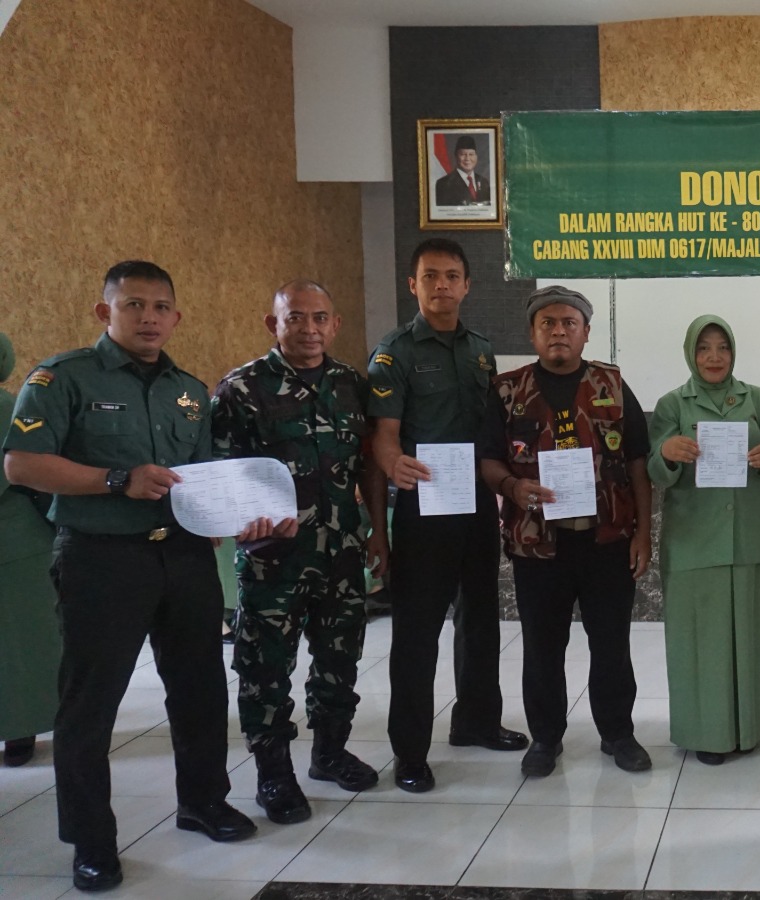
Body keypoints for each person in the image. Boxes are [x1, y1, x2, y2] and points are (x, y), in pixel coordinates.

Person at [2, 261, 288, 891]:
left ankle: (204, 802)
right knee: (90, 704)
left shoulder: (189, 391)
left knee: (200, 689)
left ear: (176, 317)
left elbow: (205, 479)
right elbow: (21, 464)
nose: (149, 318)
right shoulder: (62, 378)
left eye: (160, 307)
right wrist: (116, 480)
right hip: (101, 559)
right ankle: (91, 840)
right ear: (104, 311)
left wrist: (245, 516)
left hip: (184, 558)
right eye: (133, 305)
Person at [211, 280, 391, 824]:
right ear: (274, 324)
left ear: (334, 325)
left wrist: (376, 531)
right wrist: (241, 521)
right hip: (273, 559)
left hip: (342, 552)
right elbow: (220, 474)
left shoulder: (351, 385)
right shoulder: (241, 390)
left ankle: (329, 754)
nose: (309, 329)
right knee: (265, 669)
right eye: (295, 318)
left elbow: (366, 465)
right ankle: (273, 774)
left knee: (339, 660)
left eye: (319, 318)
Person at [368, 239, 527, 794]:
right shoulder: (394, 353)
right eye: (431, 276)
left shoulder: (481, 351)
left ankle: (476, 721)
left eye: (452, 276)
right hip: (424, 508)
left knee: (480, 620)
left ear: (466, 285)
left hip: (477, 504)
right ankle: (410, 751)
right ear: (413, 284)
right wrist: (393, 463)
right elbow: (382, 436)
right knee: (417, 633)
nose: (442, 285)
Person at [478, 286, 654, 777]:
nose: (559, 332)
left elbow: (638, 462)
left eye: (568, 323)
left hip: (607, 541)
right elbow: (488, 460)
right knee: (542, 647)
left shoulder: (610, 384)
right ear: (533, 333)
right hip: (537, 544)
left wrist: (643, 534)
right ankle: (545, 738)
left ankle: (618, 733)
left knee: (611, 644)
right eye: (548, 324)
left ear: (586, 332)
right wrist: (512, 487)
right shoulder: (507, 390)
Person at [649, 315, 760, 766]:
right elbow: (654, 469)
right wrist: (668, 453)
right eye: (704, 348)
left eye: (723, 347)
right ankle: (705, 732)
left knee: (749, 639)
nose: (714, 357)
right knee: (699, 642)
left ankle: (747, 729)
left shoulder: (758, 400)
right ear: (691, 353)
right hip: (694, 541)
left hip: (746, 538)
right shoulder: (673, 404)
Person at [0, 331, 61, 769]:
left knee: (20, 641)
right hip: (20, 541)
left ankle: (19, 726)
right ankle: (20, 730)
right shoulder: (13, 406)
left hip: (15, 542)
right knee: (24, 643)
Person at [435, 135, 489, 206]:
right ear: (456, 156)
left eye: (471, 154)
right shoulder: (443, 184)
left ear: (476, 156)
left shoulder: (484, 182)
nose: (467, 158)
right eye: (463, 154)